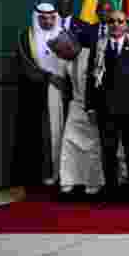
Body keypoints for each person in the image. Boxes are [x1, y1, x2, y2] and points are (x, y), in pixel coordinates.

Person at [86, 9, 129, 204]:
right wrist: (90, 106)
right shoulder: (98, 46)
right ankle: (111, 193)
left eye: (120, 21)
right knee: (108, 152)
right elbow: (91, 77)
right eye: (112, 21)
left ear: (126, 24)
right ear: (108, 24)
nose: (116, 24)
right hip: (105, 108)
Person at [15, 3, 67, 187]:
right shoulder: (25, 37)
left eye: (52, 17)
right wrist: (49, 77)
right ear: (37, 18)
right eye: (43, 18)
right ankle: (40, 174)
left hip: (64, 93)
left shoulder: (65, 35)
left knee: (64, 132)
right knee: (41, 133)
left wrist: (64, 81)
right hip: (36, 94)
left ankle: (64, 174)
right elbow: (26, 64)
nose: (48, 21)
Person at [50, 33, 104, 198]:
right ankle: (68, 182)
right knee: (68, 143)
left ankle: (93, 184)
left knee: (92, 147)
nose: (58, 56)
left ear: (69, 47)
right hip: (75, 106)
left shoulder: (92, 55)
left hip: (93, 108)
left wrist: (94, 107)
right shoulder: (67, 62)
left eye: (59, 52)